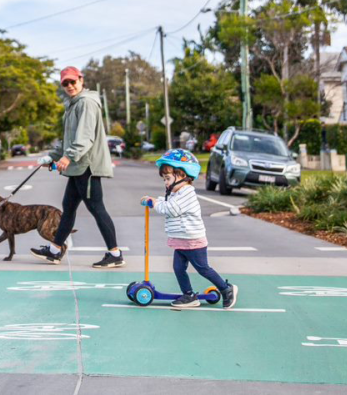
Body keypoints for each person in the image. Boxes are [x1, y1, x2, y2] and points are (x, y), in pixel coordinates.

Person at [30, 66, 123, 268]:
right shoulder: (72, 105)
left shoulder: (87, 103)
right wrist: (51, 157)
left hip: (86, 166)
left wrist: (68, 157)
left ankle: (115, 253)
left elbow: (85, 137)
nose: (70, 86)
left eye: (73, 81)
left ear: (81, 80)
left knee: (97, 209)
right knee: (69, 207)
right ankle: (55, 251)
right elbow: (67, 141)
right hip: (78, 167)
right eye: (66, 83)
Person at [142, 149, 237, 309]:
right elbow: (168, 204)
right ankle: (189, 295)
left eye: (167, 178)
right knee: (178, 268)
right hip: (181, 239)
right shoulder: (176, 193)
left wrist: (155, 203)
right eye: (164, 179)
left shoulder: (187, 193)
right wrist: (154, 200)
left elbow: (172, 209)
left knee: (203, 269)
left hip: (192, 240)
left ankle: (226, 289)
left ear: (181, 176)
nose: (165, 182)